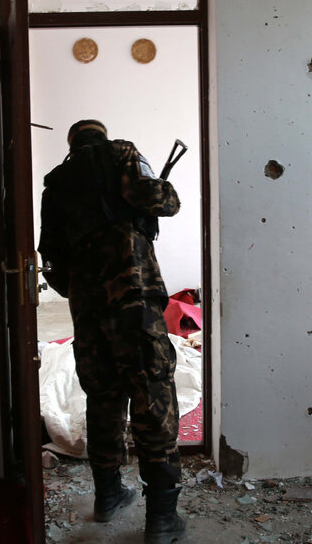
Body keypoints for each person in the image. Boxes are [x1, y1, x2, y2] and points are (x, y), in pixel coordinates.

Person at [38, 119, 185, 543]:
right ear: (101, 136)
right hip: (134, 300)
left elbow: (52, 261)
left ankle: (107, 496)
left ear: (72, 144)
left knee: (102, 398)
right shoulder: (121, 153)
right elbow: (157, 200)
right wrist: (165, 191)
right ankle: (161, 517)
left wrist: (83, 288)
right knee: (152, 394)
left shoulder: (55, 184)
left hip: (88, 311)